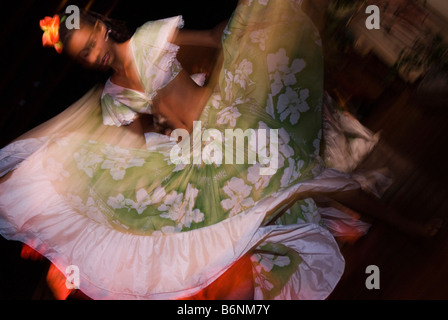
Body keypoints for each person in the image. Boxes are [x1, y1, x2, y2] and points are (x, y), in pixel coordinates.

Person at [0, 0, 439, 300]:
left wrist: (221, 82)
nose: (94, 54)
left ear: (100, 25)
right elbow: (135, 151)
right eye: (83, 55)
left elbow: (214, 40)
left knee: (306, 180)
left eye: (92, 42)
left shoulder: (151, 40)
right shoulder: (113, 97)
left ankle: (410, 227)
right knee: (239, 234)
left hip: (232, 126)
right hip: (201, 157)